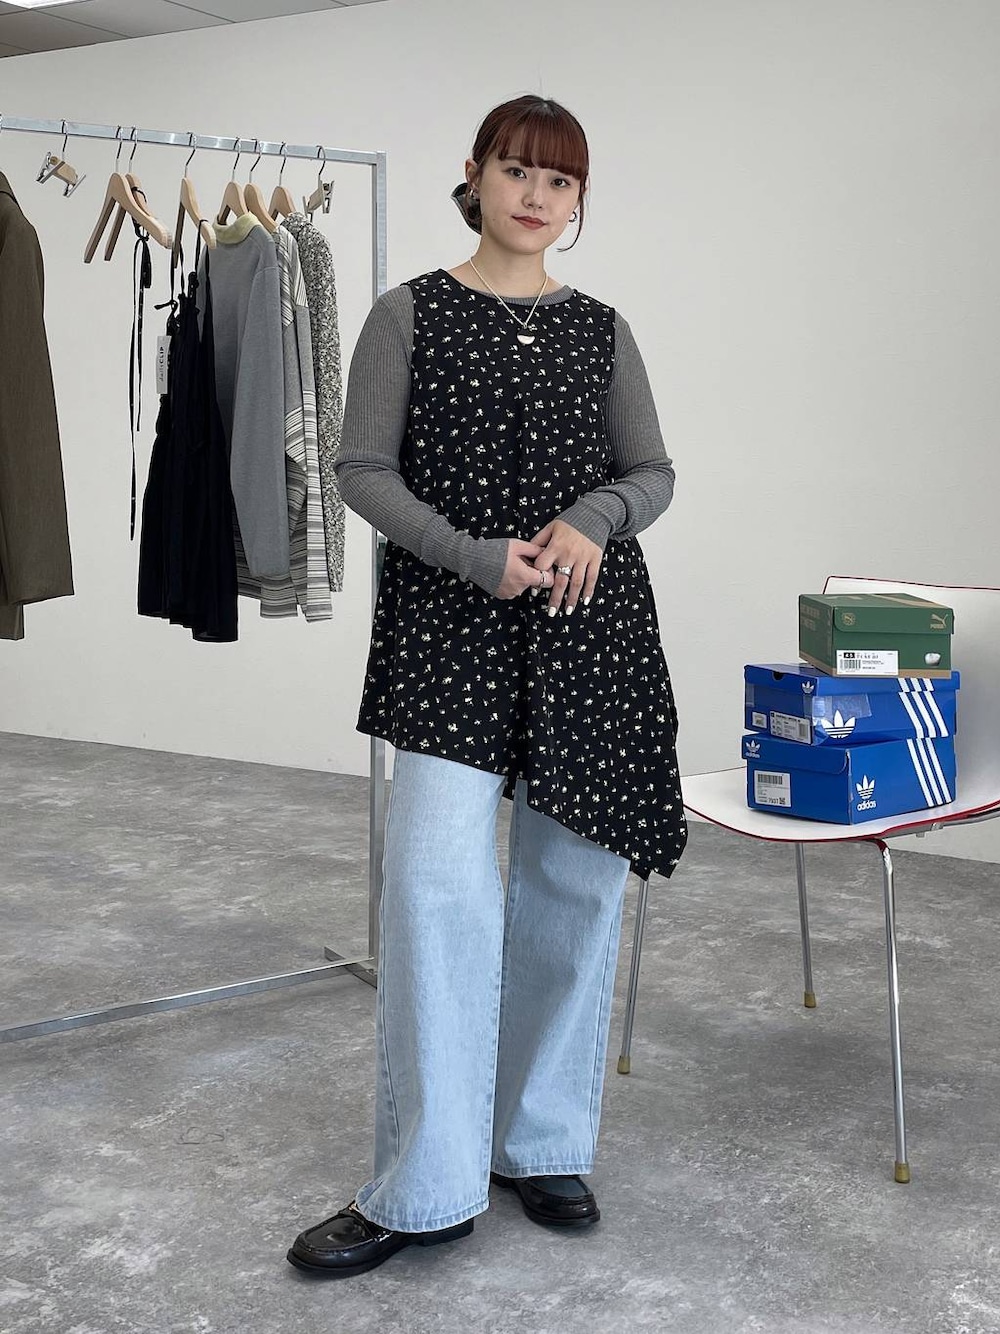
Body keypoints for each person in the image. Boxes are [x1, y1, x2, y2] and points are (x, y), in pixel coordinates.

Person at [286, 94, 688, 1280]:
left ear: (576, 199)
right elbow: (361, 467)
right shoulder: (406, 313)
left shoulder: (603, 328)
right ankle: (425, 1182)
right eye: (517, 171)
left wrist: (593, 518)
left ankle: (540, 1141)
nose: (535, 196)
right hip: (449, 632)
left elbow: (652, 470)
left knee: (572, 889)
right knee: (434, 891)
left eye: (559, 181)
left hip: (588, 632)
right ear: (474, 174)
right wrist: (469, 553)